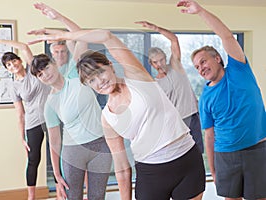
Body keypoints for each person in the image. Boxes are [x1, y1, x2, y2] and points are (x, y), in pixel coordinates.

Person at [28, 28, 206, 200]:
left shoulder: (137, 77)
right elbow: (121, 167)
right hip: (151, 173)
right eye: (92, 80)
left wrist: (64, 35)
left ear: (110, 66)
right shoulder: (107, 118)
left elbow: (107, 36)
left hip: (187, 161)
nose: (100, 82)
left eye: (100, 72)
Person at [177, 1, 266, 200]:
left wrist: (200, 11)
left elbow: (226, 35)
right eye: (197, 67)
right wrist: (214, 169)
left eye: (203, 61)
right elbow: (209, 135)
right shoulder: (205, 98)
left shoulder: (239, 69)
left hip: (257, 149)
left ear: (217, 58)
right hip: (226, 154)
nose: (200, 68)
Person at [31, 4, 112, 200]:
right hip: (73, 152)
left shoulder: (75, 73)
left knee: (97, 197)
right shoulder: (50, 103)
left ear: (53, 64)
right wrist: (57, 175)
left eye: (46, 68)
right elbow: (55, 141)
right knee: (72, 196)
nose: (45, 75)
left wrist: (58, 17)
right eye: (40, 74)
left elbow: (80, 35)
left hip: (101, 145)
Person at [0, 37, 50, 200]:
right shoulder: (13, 86)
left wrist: (0, 42)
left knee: (62, 154)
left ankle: (61, 192)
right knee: (33, 159)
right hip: (33, 123)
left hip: (52, 118)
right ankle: (31, 196)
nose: (12, 65)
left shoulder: (33, 70)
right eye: (8, 65)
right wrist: (22, 137)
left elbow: (23, 46)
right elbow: (19, 113)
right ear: (8, 69)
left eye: (14, 61)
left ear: (20, 61)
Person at [135, 21, 204, 153]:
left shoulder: (176, 66)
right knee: (180, 155)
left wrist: (156, 28)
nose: (160, 64)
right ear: (151, 63)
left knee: (197, 152)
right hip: (175, 122)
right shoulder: (155, 84)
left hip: (191, 116)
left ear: (165, 58)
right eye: (156, 62)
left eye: (162, 59)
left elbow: (174, 39)